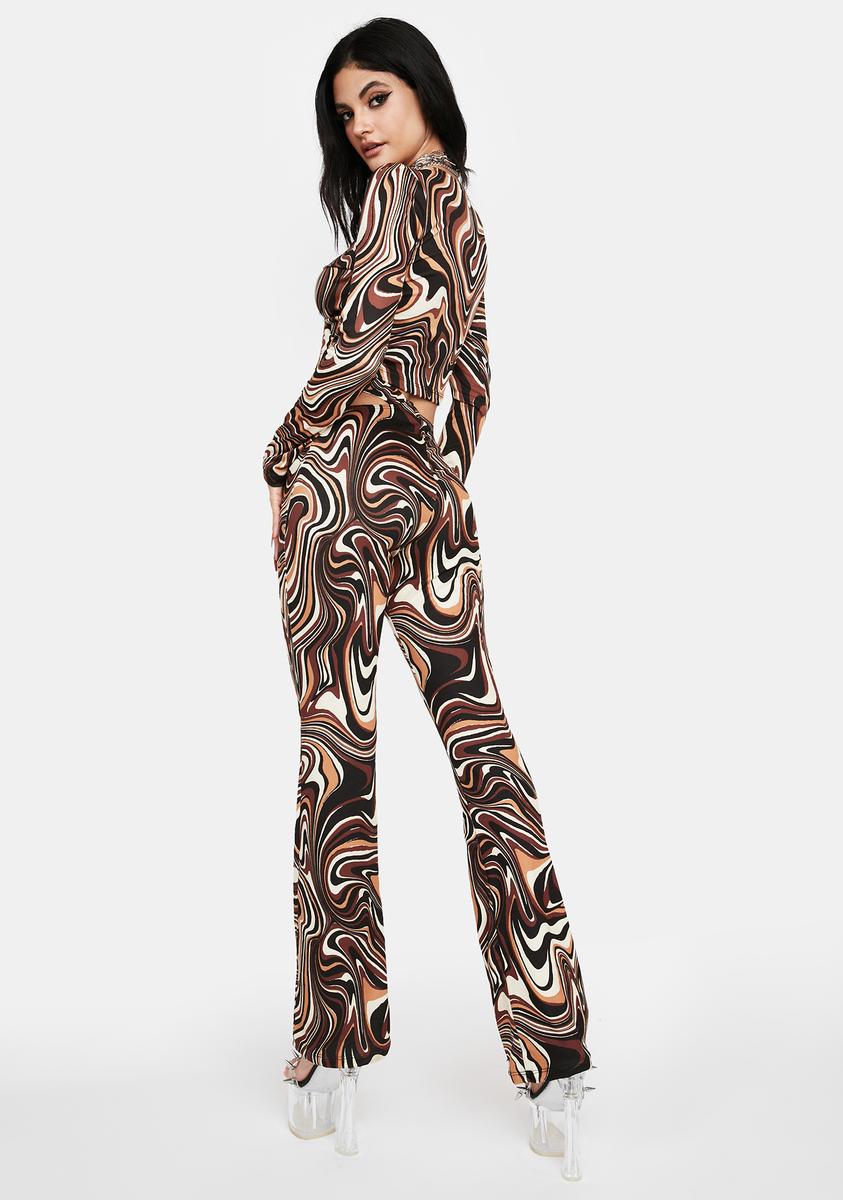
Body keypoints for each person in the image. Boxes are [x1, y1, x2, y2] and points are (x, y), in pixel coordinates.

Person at [263, 18, 593, 1110]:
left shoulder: (406, 197)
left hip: (336, 503)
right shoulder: (464, 215)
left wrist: (285, 449)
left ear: (422, 92)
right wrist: (440, 486)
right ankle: (554, 1044)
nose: (361, 126)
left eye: (378, 98)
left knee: (335, 760)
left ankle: (337, 1040)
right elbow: (472, 376)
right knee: (482, 749)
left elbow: (369, 343)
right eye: (345, 111)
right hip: (432, 507)